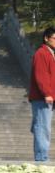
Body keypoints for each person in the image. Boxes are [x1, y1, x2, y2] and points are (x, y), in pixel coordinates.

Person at [29, 27, 55, 161]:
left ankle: (41, 156)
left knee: (42, 126)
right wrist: (47, 93)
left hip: (48, 97)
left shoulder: (50, 53)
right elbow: (41, 76)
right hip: (42, 98)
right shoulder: (42, 53)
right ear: (46, 38)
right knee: (42, 127)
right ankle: (42, 157)